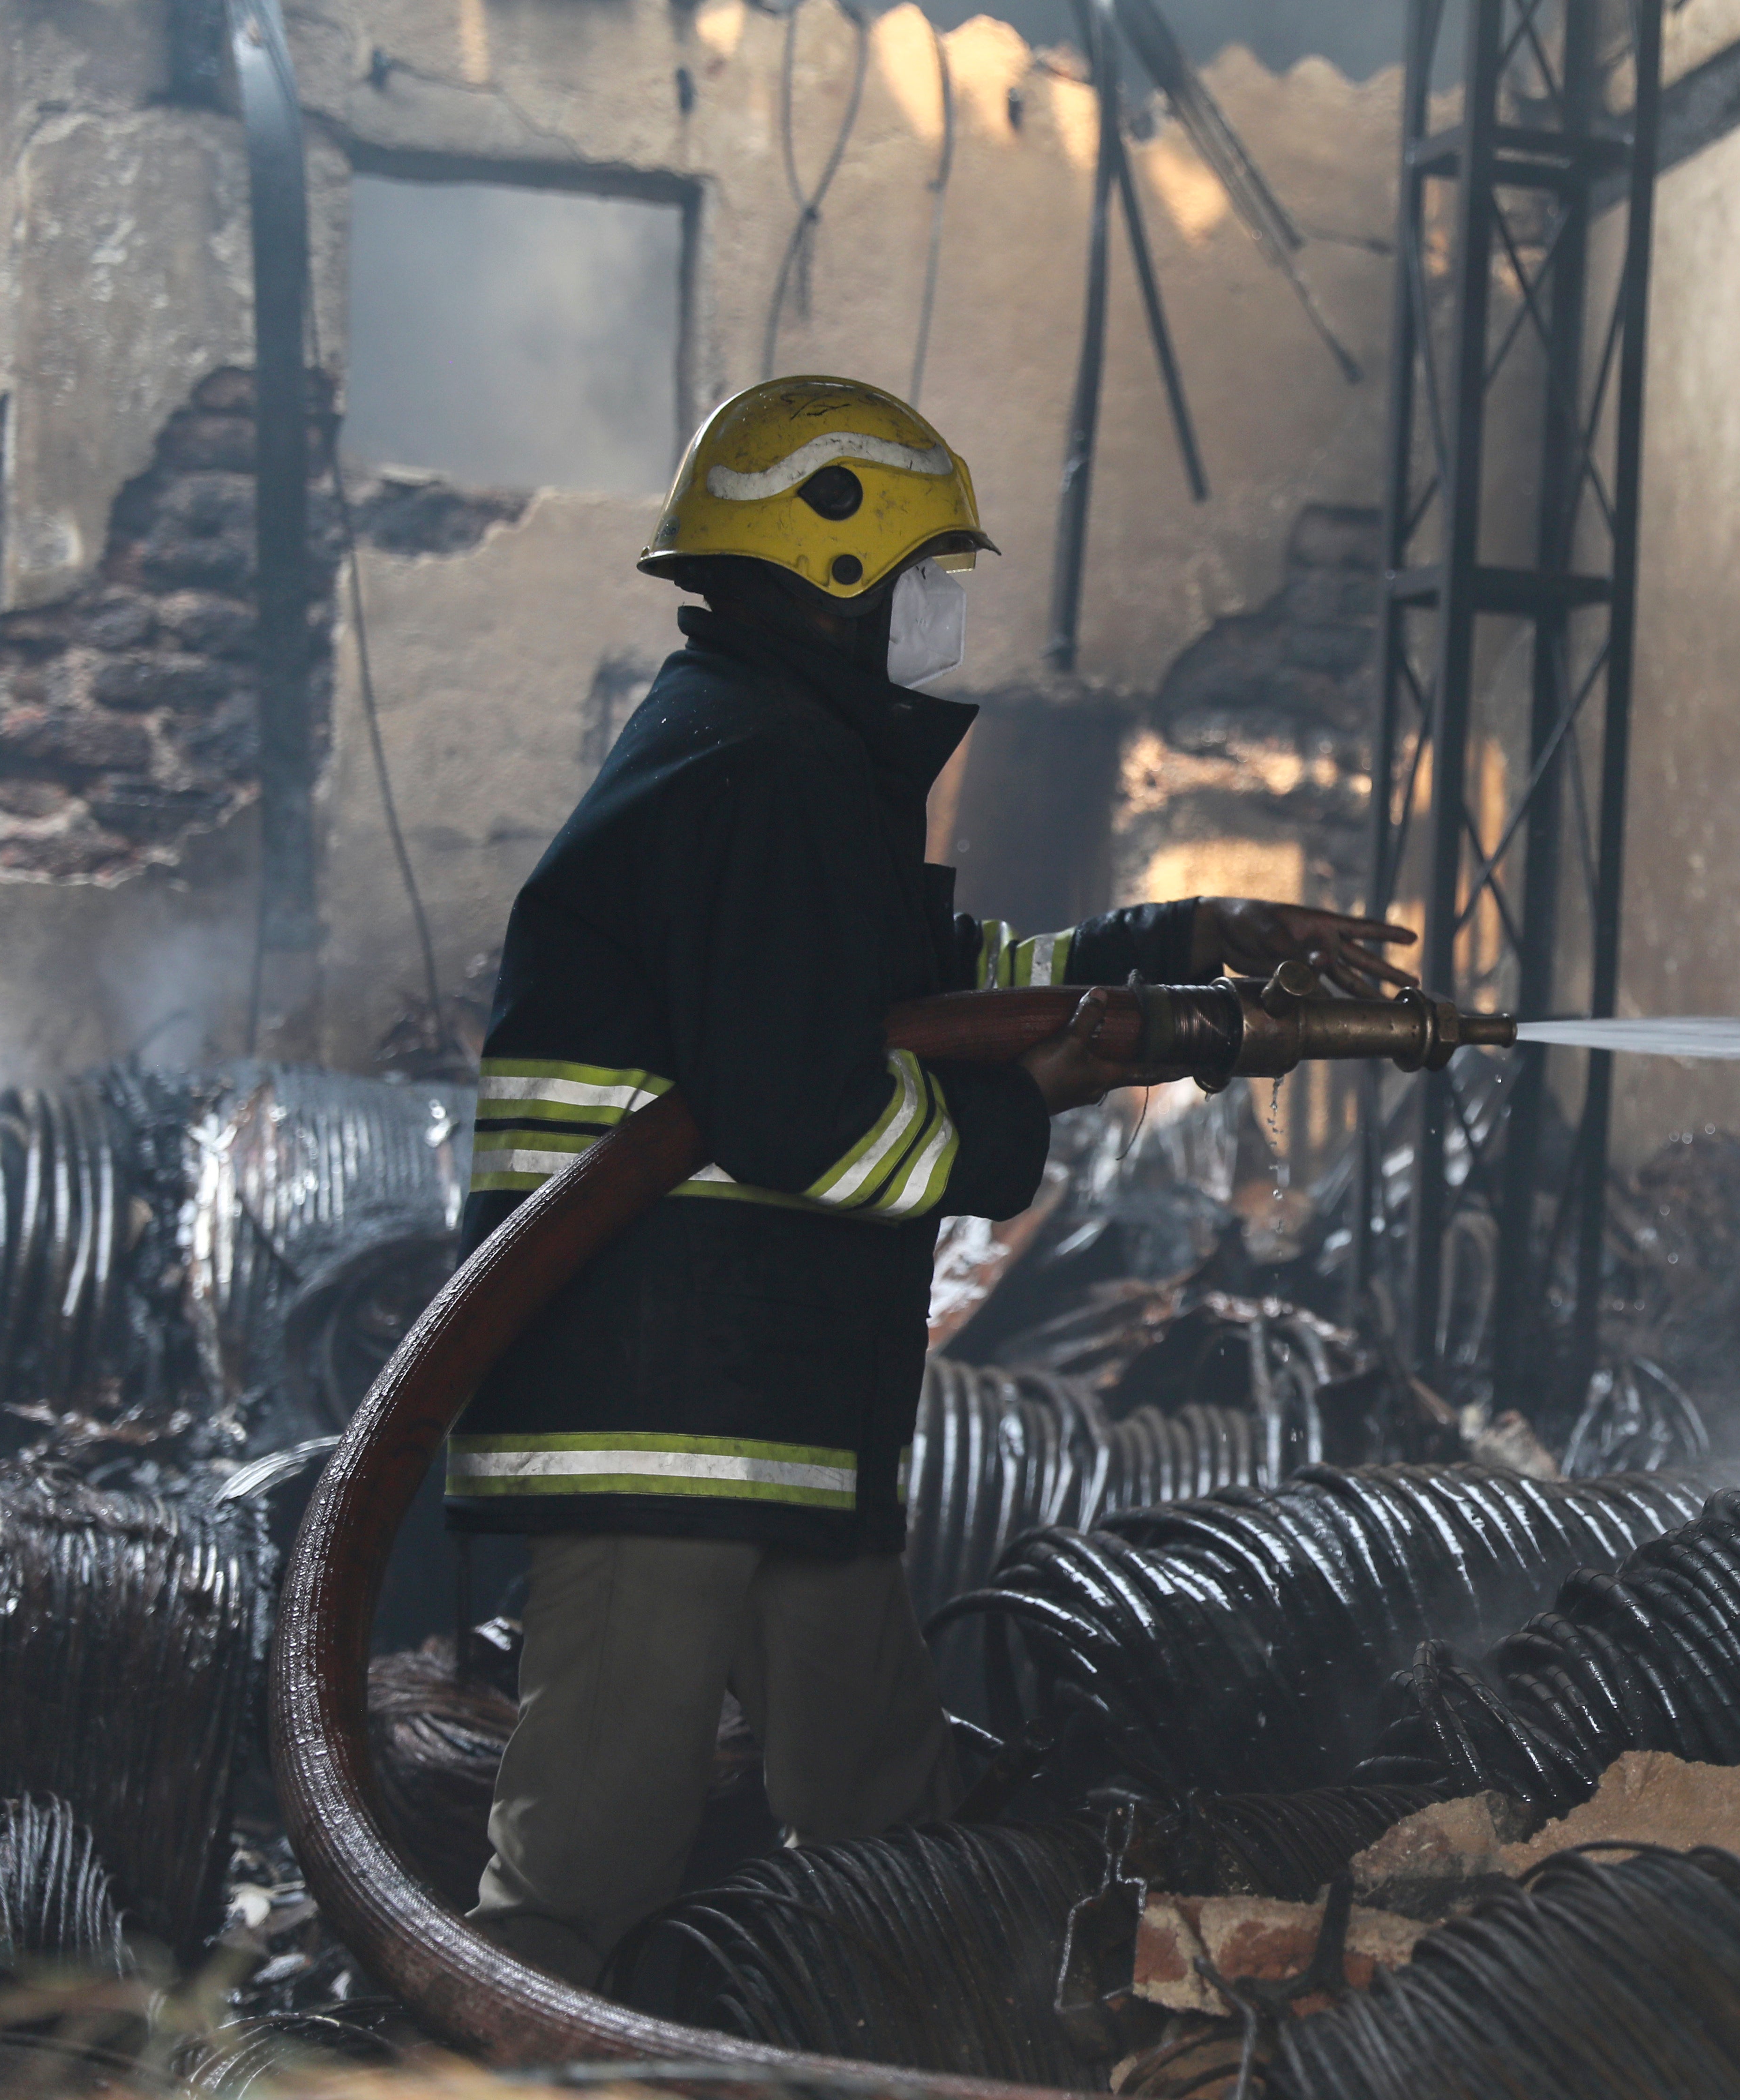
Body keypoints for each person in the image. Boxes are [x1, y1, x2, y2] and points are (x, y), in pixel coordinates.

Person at [448, 375, 1412, 1986]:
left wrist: (1170, 950)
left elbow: (916, 987)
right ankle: (494, 2059)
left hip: (766, 1402)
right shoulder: (757, 768)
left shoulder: (766, 751)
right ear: (837, 575)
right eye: (925, 581)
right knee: (593, 1853)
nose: (939, 618)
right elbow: (803, 1105)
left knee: (887, 1815)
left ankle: (911, 2051)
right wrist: (1025, 1112)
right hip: (661, 1420)